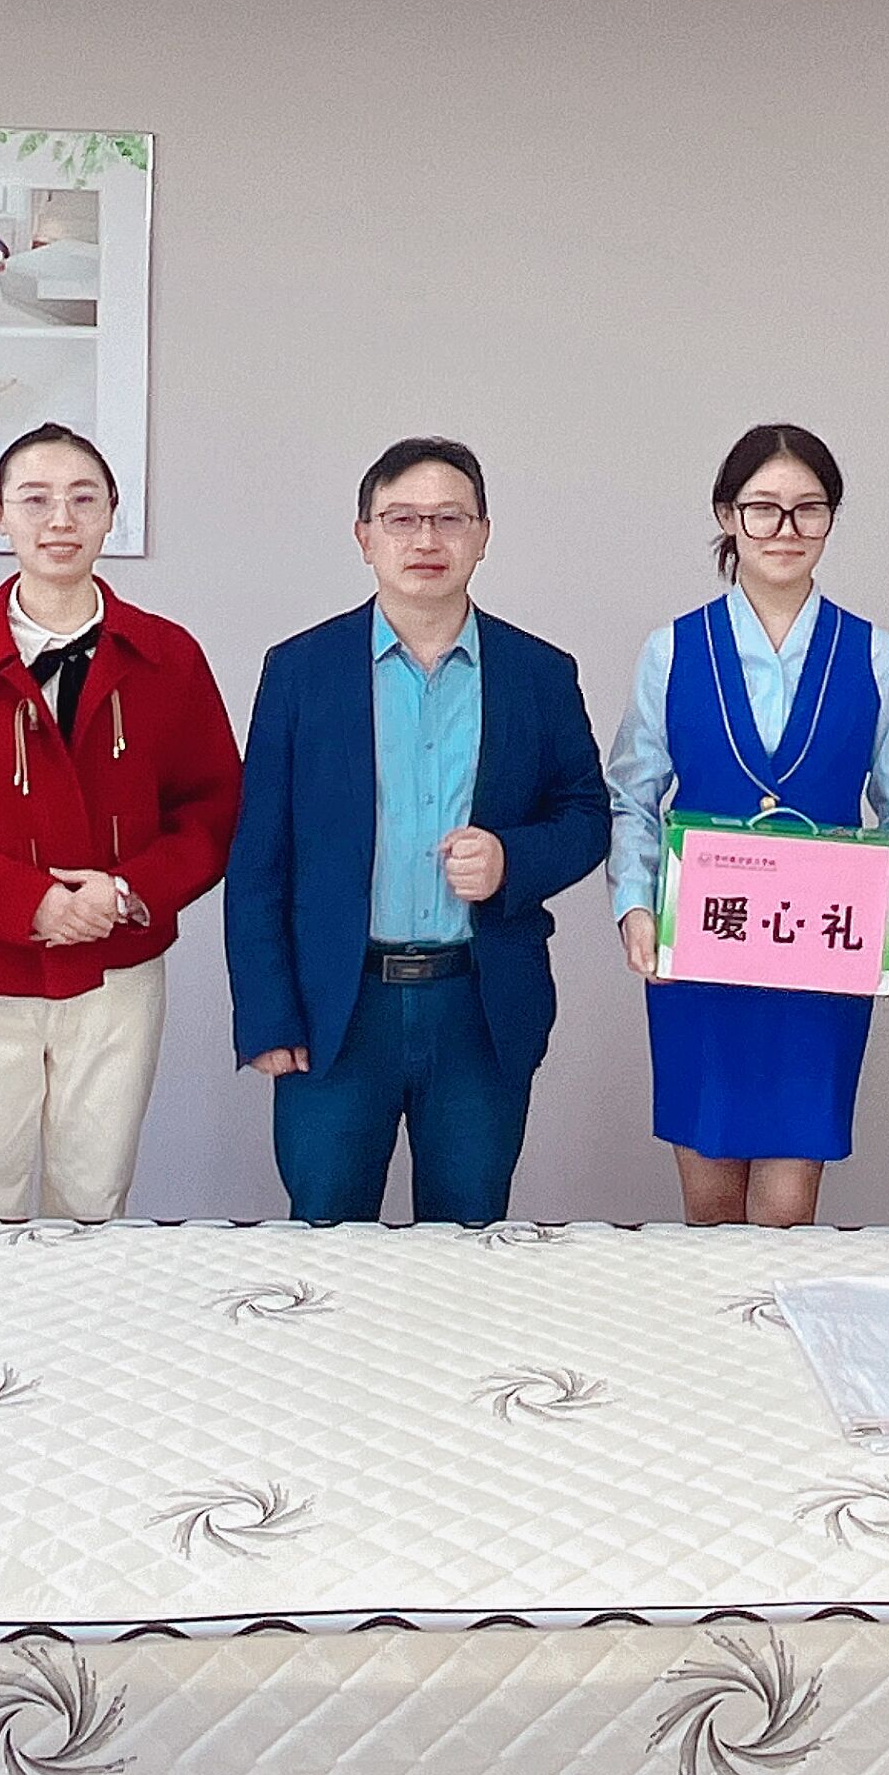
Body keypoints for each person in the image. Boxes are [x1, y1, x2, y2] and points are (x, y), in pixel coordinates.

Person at [0, 424, 241, 1222]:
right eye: (35, 500)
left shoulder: (168, 656)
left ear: (112, 514)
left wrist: (125, 891)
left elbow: (213, 808)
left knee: (95, 1197)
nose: (60, 519)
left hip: (118, 969)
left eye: (82, 499)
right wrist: (22, 900)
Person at [229, 438, 611, 1224]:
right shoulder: (301, 671)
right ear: (364, 536)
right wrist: (268, 1014)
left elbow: (585, 814)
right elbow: (259, 856)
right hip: (337, 1009)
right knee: (326, 1238)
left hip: (477, 1004)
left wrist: (511, 859)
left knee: (466, 1241)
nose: (426, 539)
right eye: (401, 519)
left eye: (449, 519)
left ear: (483, 535)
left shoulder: (539, 673)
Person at [607, 426, 889, 1227]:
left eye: (807, 509)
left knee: (788, 1210)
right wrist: (635, 906)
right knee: (710, 1206)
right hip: (701, 951)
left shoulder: (876, 654)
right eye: (763, 508)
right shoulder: (673, 649)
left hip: (822, 955)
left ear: (831, 519)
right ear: (728, 516)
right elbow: (631, 794)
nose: (786, 529)